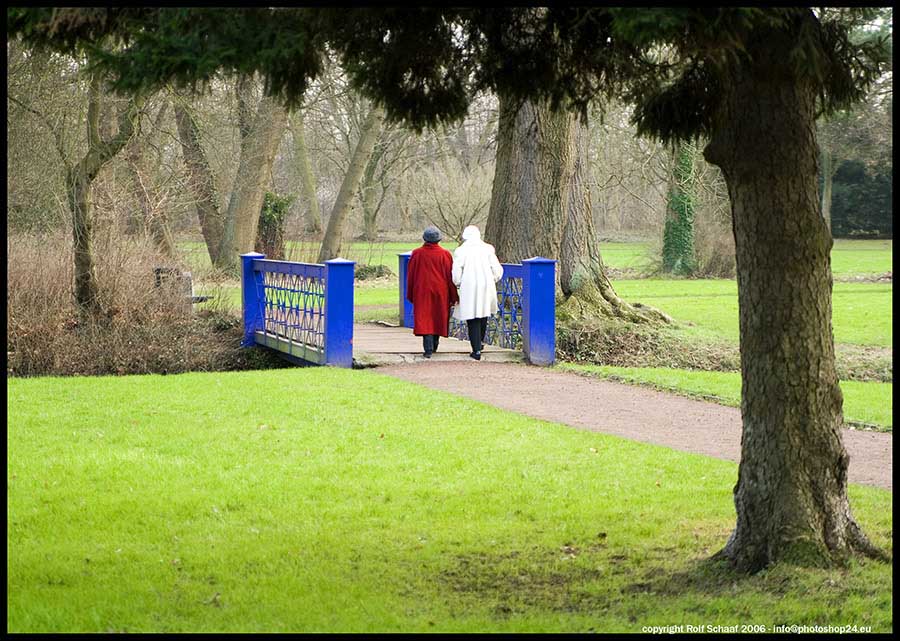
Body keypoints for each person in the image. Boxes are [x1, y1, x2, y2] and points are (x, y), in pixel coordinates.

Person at [406, 226, 459, 358]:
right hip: (441, 290)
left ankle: (428, 349)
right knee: (438, 316)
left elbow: (411, 275)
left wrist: (411, 293)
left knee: (425, 317)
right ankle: (435, 343)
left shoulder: (417, 253)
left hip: (422, 290)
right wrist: (454, 295)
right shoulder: (445, 254)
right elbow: (449, 276)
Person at [452, 225, 503, 360]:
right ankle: (479, 343)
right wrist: (492, 279)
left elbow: (457, 270)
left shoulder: (461, 251)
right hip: (486, 284)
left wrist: (458, 282)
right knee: (483, 313)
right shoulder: (488, 249)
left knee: (472, 316)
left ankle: (476, 350)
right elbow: (497, 269)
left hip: (469, 285)